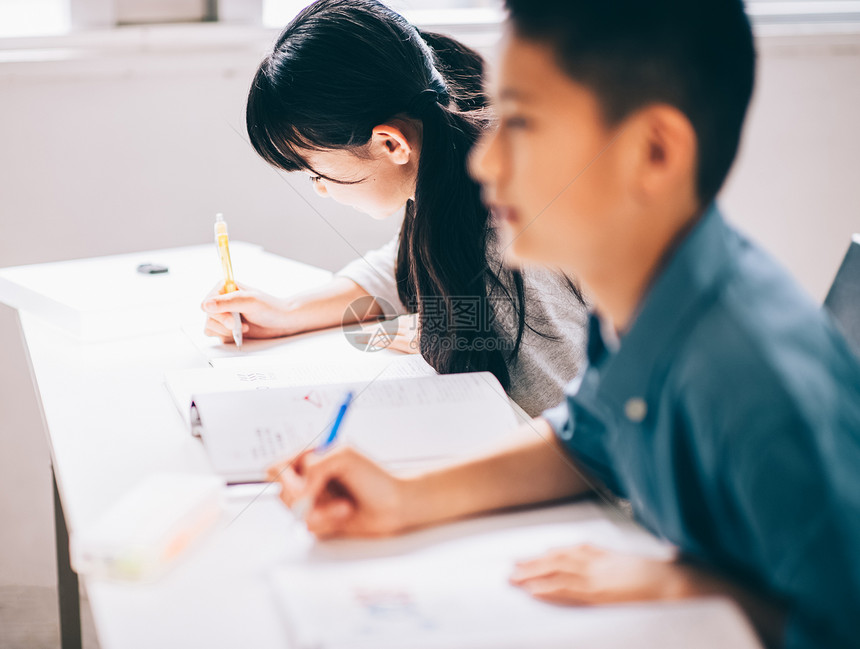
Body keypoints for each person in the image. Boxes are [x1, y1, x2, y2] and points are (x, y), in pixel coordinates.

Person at [267, 1, 860, 647]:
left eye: (523, 123)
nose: (487, 163)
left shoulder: (748, 375)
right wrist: (405, 497)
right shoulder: (643, 302)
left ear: (652, 152)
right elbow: (585, 435)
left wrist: (679, 581)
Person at [201, 0, 588, 416]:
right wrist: (287, 313)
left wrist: (441, 331)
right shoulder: (445, 176)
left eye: (317, 173)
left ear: (391, 144)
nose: (321, 191)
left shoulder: (512, 224)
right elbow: (398, 267)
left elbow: (576, 415)